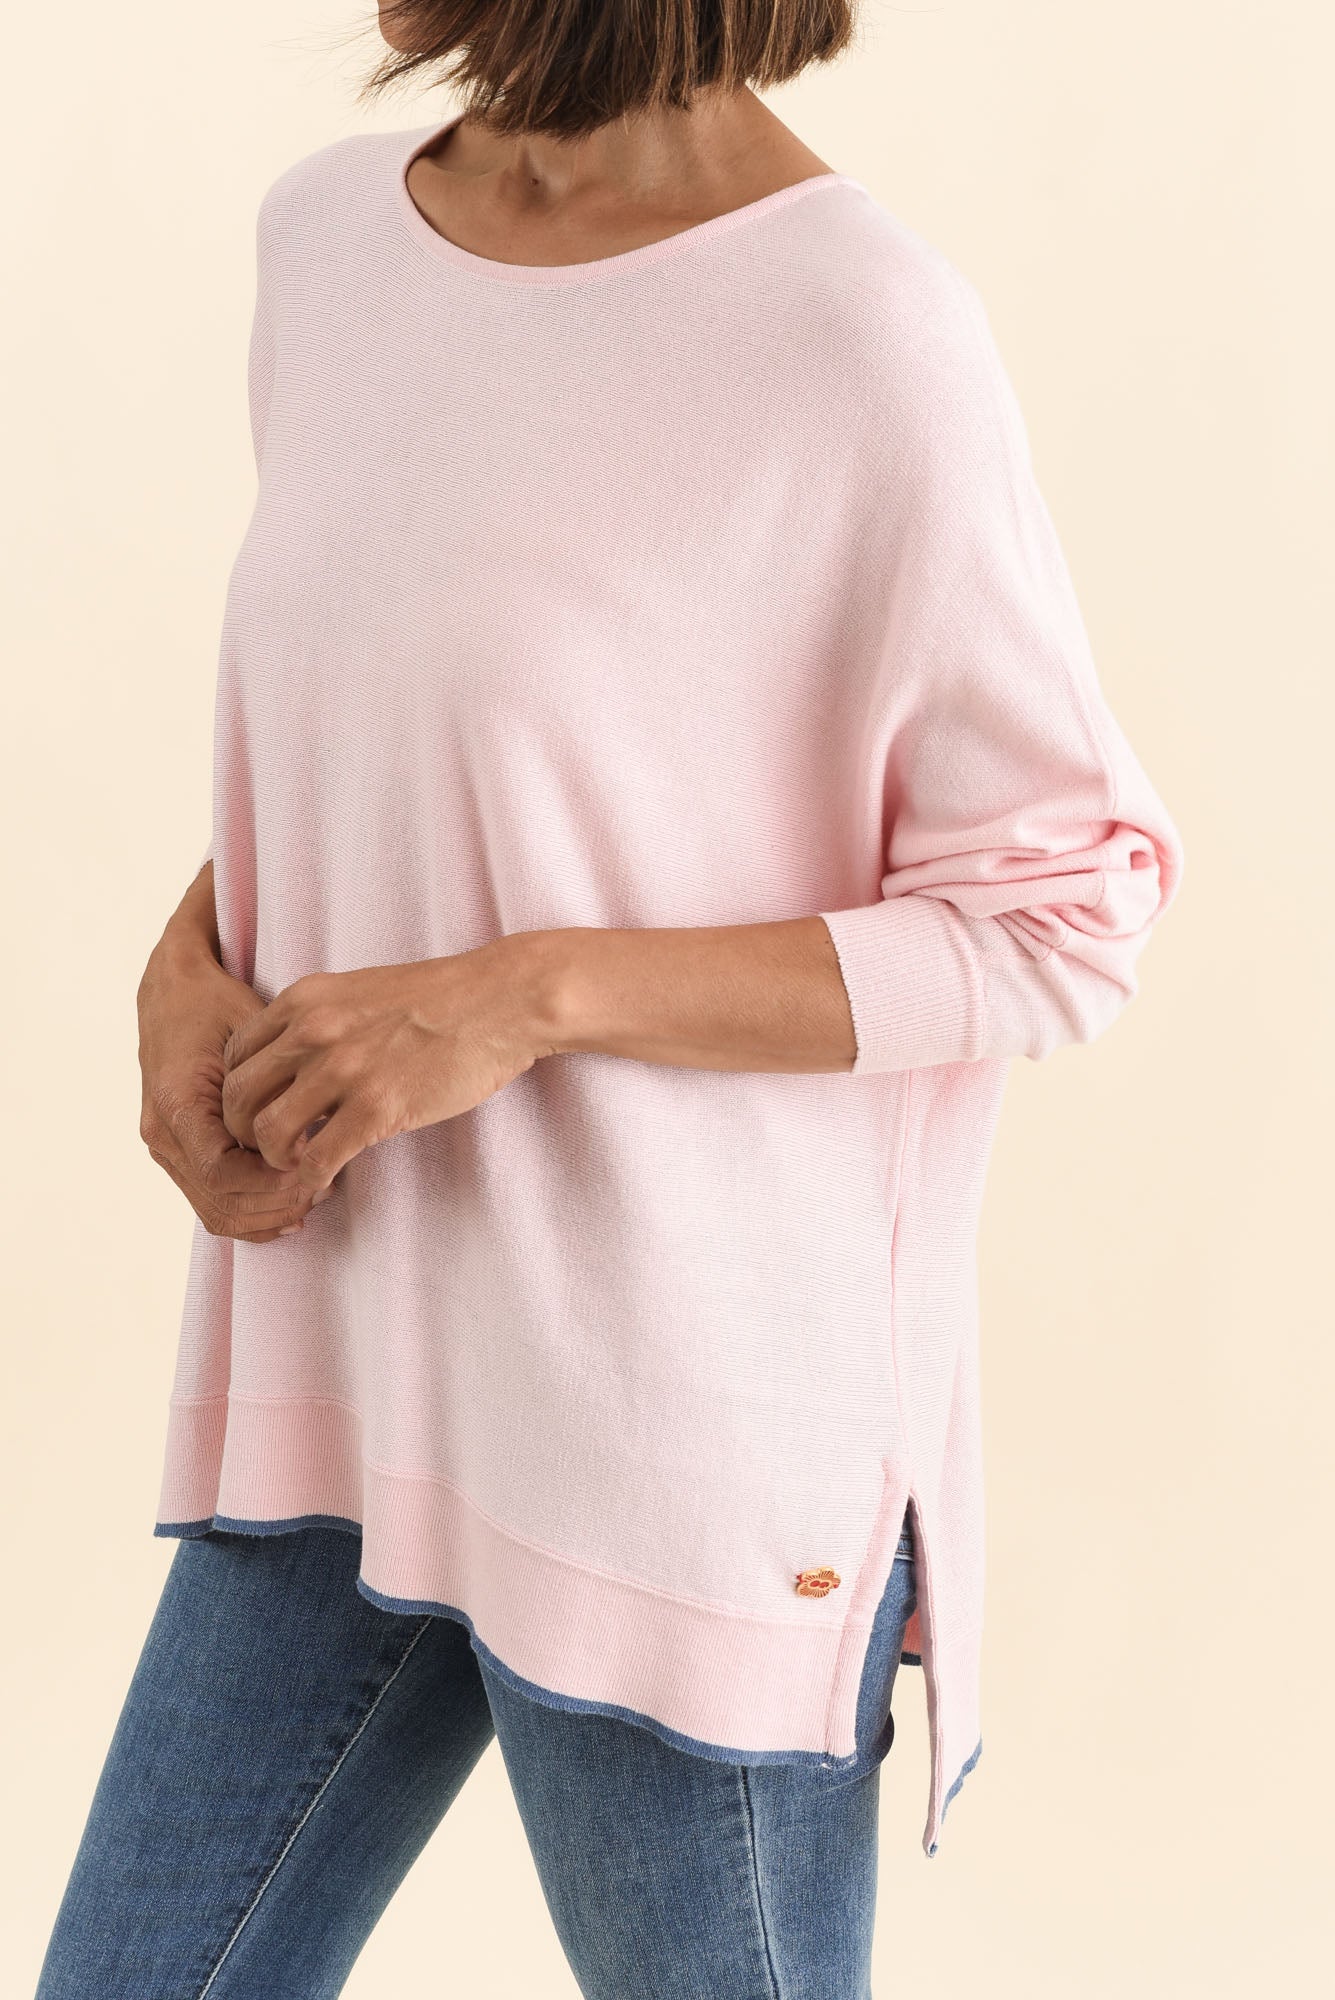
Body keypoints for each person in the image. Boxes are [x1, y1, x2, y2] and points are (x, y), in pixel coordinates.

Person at [35, 3, 1184, 1995]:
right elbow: (426, 737)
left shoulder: (858, 338)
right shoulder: (329, 241)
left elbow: (1062, 914)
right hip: (352, 1357)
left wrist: (524, 997)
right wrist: (185, 962)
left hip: (671, 1443)